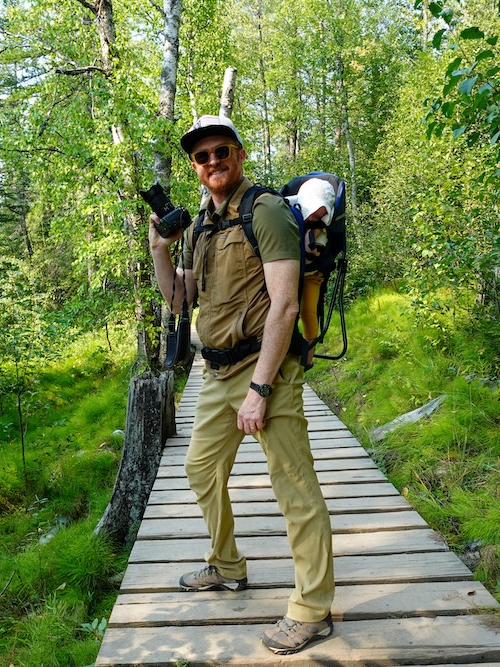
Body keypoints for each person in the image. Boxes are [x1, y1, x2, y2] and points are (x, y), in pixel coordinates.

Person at [148, 115, 335, 655]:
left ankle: (313, 609)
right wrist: (160, 248)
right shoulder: (202, 226)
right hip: (216, 372)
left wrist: (260, 390)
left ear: (239, 153)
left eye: (221, 151)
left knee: (294, 486)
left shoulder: (265, 210)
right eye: (202, 156)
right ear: (195, 166)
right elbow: (180, 299)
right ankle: (227, 565)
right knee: (200, 467)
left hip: (265, 369)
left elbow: (286, 305)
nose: (213, 161)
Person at [287, 177, 337, 369]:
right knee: (286, 311)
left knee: (308, 312)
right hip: (290, 272)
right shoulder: (288, 211)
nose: (315, 219)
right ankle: (284, 352)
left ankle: (307, 359)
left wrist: (314, 239)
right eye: (313, 214)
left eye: (320, 216)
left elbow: (316, 253)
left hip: (313, 275)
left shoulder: (321, 230)